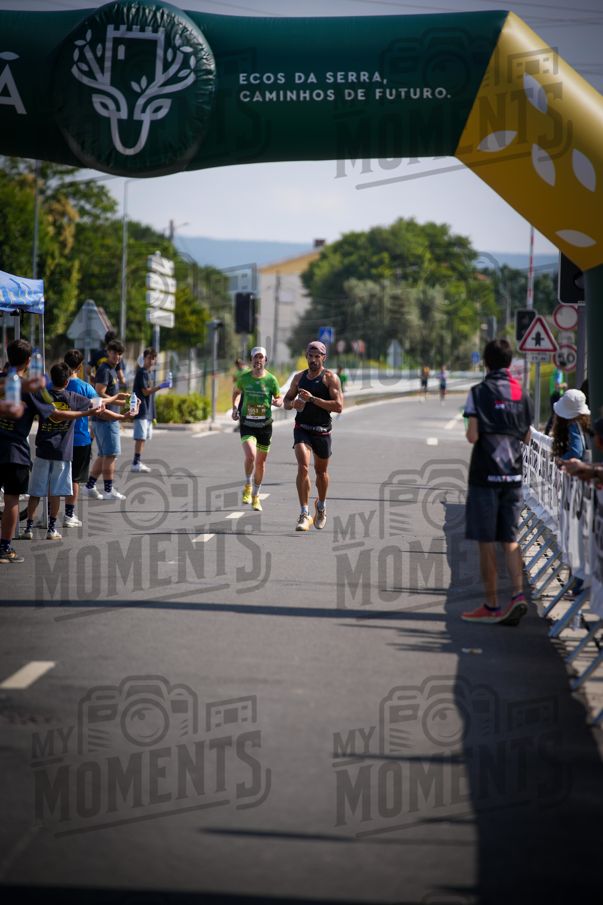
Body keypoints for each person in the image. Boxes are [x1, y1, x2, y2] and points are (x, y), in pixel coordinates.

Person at [461, 338, 533, 626]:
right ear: (509, 362)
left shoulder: (478, 392)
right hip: (514, 477)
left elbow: (472, 436)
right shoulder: (523, 393)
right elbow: (527, 437)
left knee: (486, 541)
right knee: (510, 539)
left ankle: (491, 605)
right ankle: (518, 595)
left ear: (486, 362)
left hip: (484, 477)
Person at [22, 363, 108, 540]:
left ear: (51, 379)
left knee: (36, 491)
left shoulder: (43, 396)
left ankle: (28, 528)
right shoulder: (72, 397)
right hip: (62, 453)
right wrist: (117, 401)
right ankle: (52, 529)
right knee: (56, 493)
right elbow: (95, 403)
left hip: (43, 450)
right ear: (68, 381)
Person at [0, 340, 56, 562]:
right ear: (28, 361)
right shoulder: (31, 388)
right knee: (12, 499)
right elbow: (51, 412)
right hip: (14, 451)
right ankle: (4, 548)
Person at [283, 341, 343, 531]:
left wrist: (312, 400)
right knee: (303, 467)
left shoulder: (330, 378)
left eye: (318, 357)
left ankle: (322, 506)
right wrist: (293, 405)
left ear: (323, 358)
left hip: (323, 430)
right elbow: (286, 400)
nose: (314, 360)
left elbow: (338, 406)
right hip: (302, 428)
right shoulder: (299, 378)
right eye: (311, 356)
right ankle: (304, 513)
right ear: (306, 356)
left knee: (321, 473)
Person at [231, 347, 283, 511]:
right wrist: (234, 407)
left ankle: (255, 496)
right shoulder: (244, 378)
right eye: (255, 357)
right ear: (251, 360)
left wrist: (278, 402)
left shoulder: (271, 380)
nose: (258, 360)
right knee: (251, 456)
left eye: (261, 357)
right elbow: (237, 392)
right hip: (247, 423)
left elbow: (279, 397)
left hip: (265, 425)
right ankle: (247, 485)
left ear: (265, 360)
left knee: (260, 464)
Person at [83, 340, 130, 501]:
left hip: (103, 418)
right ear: (107, 352)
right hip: (106, 419)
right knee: (110, 454)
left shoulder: (112, 370)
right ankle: (108, 490)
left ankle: (89, 486)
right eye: (115, 352)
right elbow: (100, 394)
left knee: (104, 455)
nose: (118, 356)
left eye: (120, 354)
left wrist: (123, 402)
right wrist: (120, 402)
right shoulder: (105, 370)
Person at [131, 347, 169, 473]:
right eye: (149, 358)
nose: (151, 361)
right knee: (140, 437)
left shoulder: (149, 373)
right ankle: (135, 462)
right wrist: (160, 386)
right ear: (143, 358)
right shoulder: (142, 372)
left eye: (153, 358)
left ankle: (138, 461)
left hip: (147, 411)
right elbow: (145, 392)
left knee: (143, 438)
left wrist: (153, 414)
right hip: (141, 409)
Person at [561, 417, 603, 486]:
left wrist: (595, 473)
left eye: (592, 434)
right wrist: (582, 466)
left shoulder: (573, 424)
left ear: (600, 439)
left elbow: (576, 452)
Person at [544, 367, 567, 435]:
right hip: (557, 395)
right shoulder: (559, 372)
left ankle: (548, 431)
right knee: (557, 414)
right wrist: (564, 385)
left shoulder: (554, 371)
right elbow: (557, 385)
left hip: (553, 395)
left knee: (555, 414)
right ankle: (554, 431)